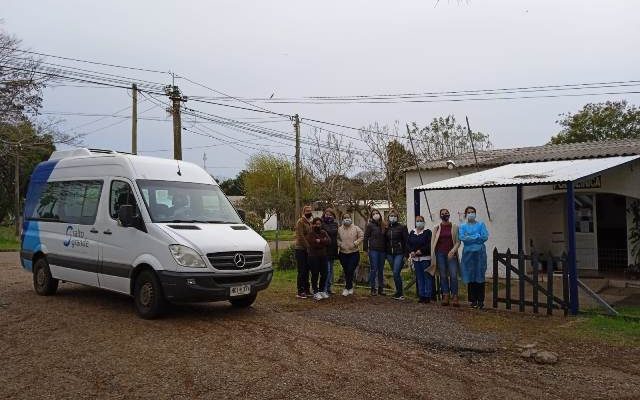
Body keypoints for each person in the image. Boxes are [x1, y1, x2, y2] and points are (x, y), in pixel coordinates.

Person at [459, 206, 489, 309]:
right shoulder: (462, 226)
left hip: (480, 254)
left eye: (473, 212)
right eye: (469, 212)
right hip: (468, 255)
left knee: (480, 276)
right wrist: (477, 236)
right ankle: (473, 300)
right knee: (470, 276)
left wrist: (470, 237)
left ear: (475, 213)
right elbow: (463, 238)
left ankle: (480, 300)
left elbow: (484, 237)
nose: (471, 214)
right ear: (466, 214)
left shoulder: (481, 224)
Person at [431, 208, 461, 307]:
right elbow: (433, 242)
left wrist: (453, 251)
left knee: (453, 275)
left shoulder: (455, 226)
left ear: (449, 214)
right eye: (443, 214)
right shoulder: (436, 227)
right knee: (443, 275)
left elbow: (458, 241)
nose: (445, 215)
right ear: (440, 216)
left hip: (451, 254)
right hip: (440, 254)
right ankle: (445, 295)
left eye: (446, 213)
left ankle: (455, 296)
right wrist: (433, 255)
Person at [337, 213, 364, 296]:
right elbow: (336, 238)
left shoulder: (356, 228)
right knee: (346, 271)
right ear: (342, 219)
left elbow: (362, 236)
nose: (347, 219)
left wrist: (356, 243)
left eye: (348, 217)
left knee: (350, 270)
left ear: (350, 218)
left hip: (354, 253)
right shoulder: (339, 229)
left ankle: (347, 287)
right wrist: (340, 244)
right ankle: (349, 287)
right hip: (343, 253)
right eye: (345, 218)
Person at [408, 215, 433, 303]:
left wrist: (421, 250)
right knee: (419, 277)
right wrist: (411, 251)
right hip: (415, 259)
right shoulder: (412, 232)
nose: (419, 222)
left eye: (421, 220)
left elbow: (430, 244)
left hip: (425, 258)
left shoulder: (427, 232)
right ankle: (421, 295)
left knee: (427, 276)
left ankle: (428, 295)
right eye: (417, 221)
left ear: (424, 222)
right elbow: (409, 243)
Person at [385, 210, 409, 300]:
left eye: (394, 216)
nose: (393, 217)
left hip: (399, 253)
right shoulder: (387, 228)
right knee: (396, 273)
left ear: (397, 217)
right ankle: (398, 292)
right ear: (388, 217)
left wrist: (406, 255)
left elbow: (407, 241)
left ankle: (400, 293)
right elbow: (385, 241)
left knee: (395, 272)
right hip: (389, 254)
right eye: (391, 216)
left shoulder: (402, 227)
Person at [306, 217, 331, 300]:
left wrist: (320, 241)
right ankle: (315, 291)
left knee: (325, 273)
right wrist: (323, 241)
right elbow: (313, 244)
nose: (318, 225)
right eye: (316, 224)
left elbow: (329, 241)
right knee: (315, 274)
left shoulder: (323, 232)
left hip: (323, 256)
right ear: (313, 224)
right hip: (313, 257)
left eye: (319, 224)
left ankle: (322, 290)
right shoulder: (310, 233)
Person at [363, 209, 386, 296]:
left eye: (377, 213)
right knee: (374, 269)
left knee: (381, 270)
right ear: (371, 216)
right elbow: (365, 238)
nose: (376, 215)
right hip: (373, 250)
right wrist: (365, 250)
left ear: (380, 214)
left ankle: (381, 289)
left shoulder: (383, 225)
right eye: (374, 214)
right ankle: (373, 288)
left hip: (382, 251)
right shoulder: (370, 225)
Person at [294, 205, 313, 299]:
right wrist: (308, 246)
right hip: (301, 249)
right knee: (302, 270)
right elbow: (300, 236)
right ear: (304, 212)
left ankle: (306, 289)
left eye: (310, 210)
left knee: (307, 269)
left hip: (308, 249)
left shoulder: (310, 222)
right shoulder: (300, 222)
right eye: (307, 211)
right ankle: (300, 290)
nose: (309, 212)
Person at [321, 208, 339, 295]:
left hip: (333, 250)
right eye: (327, 214)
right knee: (326, 270)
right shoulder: (321, 224)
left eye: (330, 214)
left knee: (331, 271)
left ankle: (329, 288)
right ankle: (323, 289)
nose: (328, 216)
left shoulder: (335, 224)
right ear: (324, 214)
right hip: (325, 250)